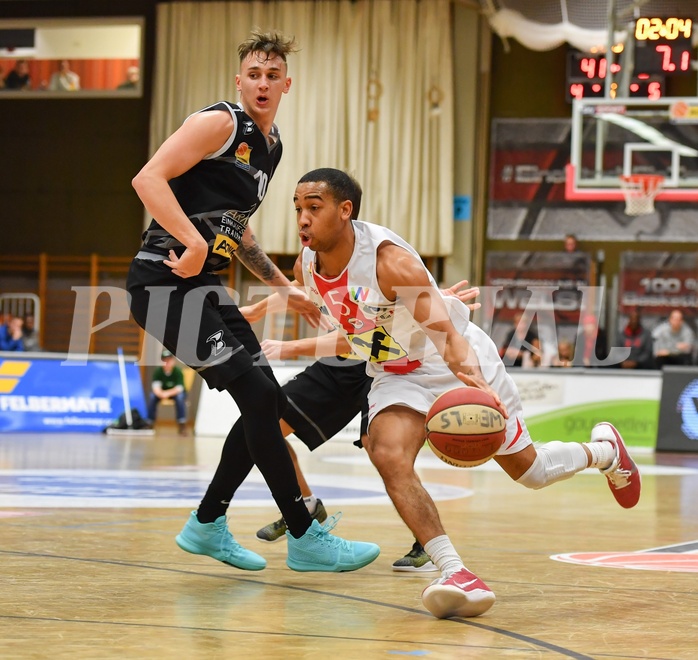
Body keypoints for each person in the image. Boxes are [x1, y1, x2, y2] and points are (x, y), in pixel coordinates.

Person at [263, 168, 641, 619]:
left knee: (531, 471)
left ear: (345, 211)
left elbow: (447, 336)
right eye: (298, 209)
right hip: (395, 372)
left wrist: (473, 379)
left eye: (314, 208)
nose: (302, 219)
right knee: (385, 451)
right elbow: (362, 339)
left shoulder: (388, 261)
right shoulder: (307, 267)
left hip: (451, 361)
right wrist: (285, 344)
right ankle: (455, 571)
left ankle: (603, 452)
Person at [125, 30, 379, 575]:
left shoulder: (272, 147)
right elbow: (147, 178)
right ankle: (304, 534)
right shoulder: (220, 122)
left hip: (207, 288)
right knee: (262, 396)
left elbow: (237, 232)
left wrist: (280, 285)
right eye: (253, 75)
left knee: (265, 400)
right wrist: (192, 242)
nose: (263, 84)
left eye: (272, 76)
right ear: (240, 81)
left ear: (287, 84)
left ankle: (208, 524)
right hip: (164, 283)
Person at [146, 349, 188, 434]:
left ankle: (181, 423)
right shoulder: (158, 371)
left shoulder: (178, 372)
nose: (167, 363)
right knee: (152, 396)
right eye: (164, 361)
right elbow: (155, 387)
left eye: (169, 360)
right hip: (162, 393)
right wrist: (161, 393)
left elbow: (179, 388)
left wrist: (167, 393)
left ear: (173, 361)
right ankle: (150, 422)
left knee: (180, 398)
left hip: (174, 394)